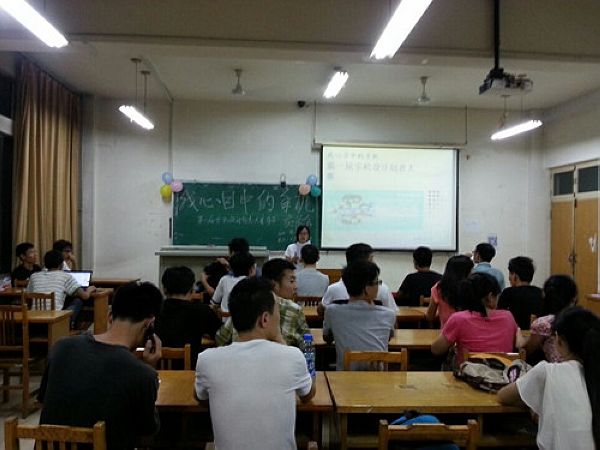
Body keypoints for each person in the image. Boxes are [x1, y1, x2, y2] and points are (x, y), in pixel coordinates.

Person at [38, 282, 163, 449]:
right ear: (149, 324)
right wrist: (149, 367)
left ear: (110, 315)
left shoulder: (61, 347)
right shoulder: (143, 374)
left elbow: (43, 402)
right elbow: (148, 431)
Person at [195, 277, 315, 450]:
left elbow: (200, 397)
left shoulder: (207, 360)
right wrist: (279, 337)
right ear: (265, 319)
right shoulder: (292, 356)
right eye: (277, 312)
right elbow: (308, 394)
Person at [498, 306, 600, 450]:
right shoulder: (593, 373)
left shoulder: (548, 371)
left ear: (559, 340)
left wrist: (535, 404)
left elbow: (503, 396)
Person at [216, 258, 309, 348]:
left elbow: (221, 338)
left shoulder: (245, 304)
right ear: (274, 284)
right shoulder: (294, 310)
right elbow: (307, 346)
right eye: (291, 281)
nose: (295, 286)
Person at [431, 272, 518, 366]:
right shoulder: (508, 317)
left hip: (469, 373)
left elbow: (436, 350)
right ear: (490, 297)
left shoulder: (459, 319)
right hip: (502, 373)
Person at [323, 260, 396, 370]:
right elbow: (388, 337)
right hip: (378, 378)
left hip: (344, 378)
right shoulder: (389, 315)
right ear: (367, 288)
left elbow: (327, 338)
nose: (379, 286)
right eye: (377, 282)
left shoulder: (332, 311)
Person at [155, 266, 221, 367]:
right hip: (192, 369)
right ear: (192, 289)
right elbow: (221, 335)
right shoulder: (201, 310)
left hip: (157, 369)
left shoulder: (153, 310)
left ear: (164, 289)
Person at [27, 250, 96, 329]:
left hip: (33, 321)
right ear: (61, 264)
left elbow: (28, 295)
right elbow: (85, 296)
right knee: (78, 300)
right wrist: (90, 289)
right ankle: (69, 325)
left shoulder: (34, 276)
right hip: (55, 322)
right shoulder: (65, 276)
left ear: (45, 263)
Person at [320, 243, 397, 312]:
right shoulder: (382, 289)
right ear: (365, 264)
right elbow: (393, 312)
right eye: (372, 259)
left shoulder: (333, 289)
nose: (374, 262)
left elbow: (322, 311)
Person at [523, 274, 577, 362]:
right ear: (573, 299)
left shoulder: (543, 323)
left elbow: (527, 351)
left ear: (545, 297)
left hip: (558, 369)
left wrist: (520, 341)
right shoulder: (582, 320)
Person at [426, 255, 474, 327]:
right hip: (469, 330)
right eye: (472, 270)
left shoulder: (438, 288)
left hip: (447, 331)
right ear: (466, 272)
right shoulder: (473, 287)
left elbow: (430, 316)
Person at [497, 256, 543, 330]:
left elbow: (499, 318)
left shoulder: (508, 293)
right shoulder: (540, 292)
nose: (509, 278)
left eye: (510, 274)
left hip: (513, 334)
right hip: (536, 335)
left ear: (515, 275)